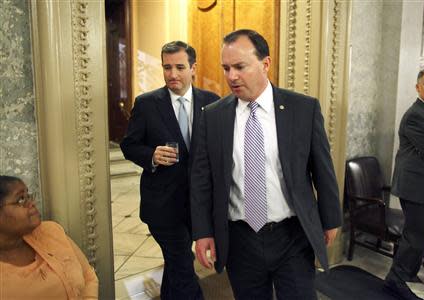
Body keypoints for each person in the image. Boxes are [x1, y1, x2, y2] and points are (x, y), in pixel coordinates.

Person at [190, 29, 342, 299]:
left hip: (292, 236)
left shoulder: (303, 109)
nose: (231, 76)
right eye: (226, 68)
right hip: (240, 240)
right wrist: (202, 232)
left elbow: (322, 169)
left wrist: (330, 220)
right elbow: (202, 179)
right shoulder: (212, 117)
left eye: (239, 67)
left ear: (266, 64)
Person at [120, 41, 220, 299]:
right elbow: (129, 145)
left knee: (177, 266)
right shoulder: (146, 103)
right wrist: (150, 155)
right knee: (182, 262)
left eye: (179, 67)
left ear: (193, 68)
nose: (172, 74)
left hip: (197, 206)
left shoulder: (212, 103)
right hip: (162, 205)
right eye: (167, 67)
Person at [384, 68, 424, 300]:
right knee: (416, 237)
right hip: (417, 187)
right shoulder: (415, 115)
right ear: (418, 87)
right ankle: (397, 278)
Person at [0, 175, 98, 299]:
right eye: (21, 200)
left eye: (28, 196)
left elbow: (88, 275)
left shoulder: (51, 232)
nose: (32, 203)